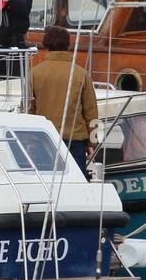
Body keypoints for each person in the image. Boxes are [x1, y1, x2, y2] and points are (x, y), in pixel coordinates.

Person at [28, 25, 98, 177]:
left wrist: (30, 139)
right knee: (75, 182)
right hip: (75, 141)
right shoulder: (81, 74)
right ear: (68, 45)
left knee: (45, 183)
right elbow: (91, 112)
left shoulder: (34, 73)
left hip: (43, 138)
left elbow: (29, 109)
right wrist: (92, 143)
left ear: (46, 45)